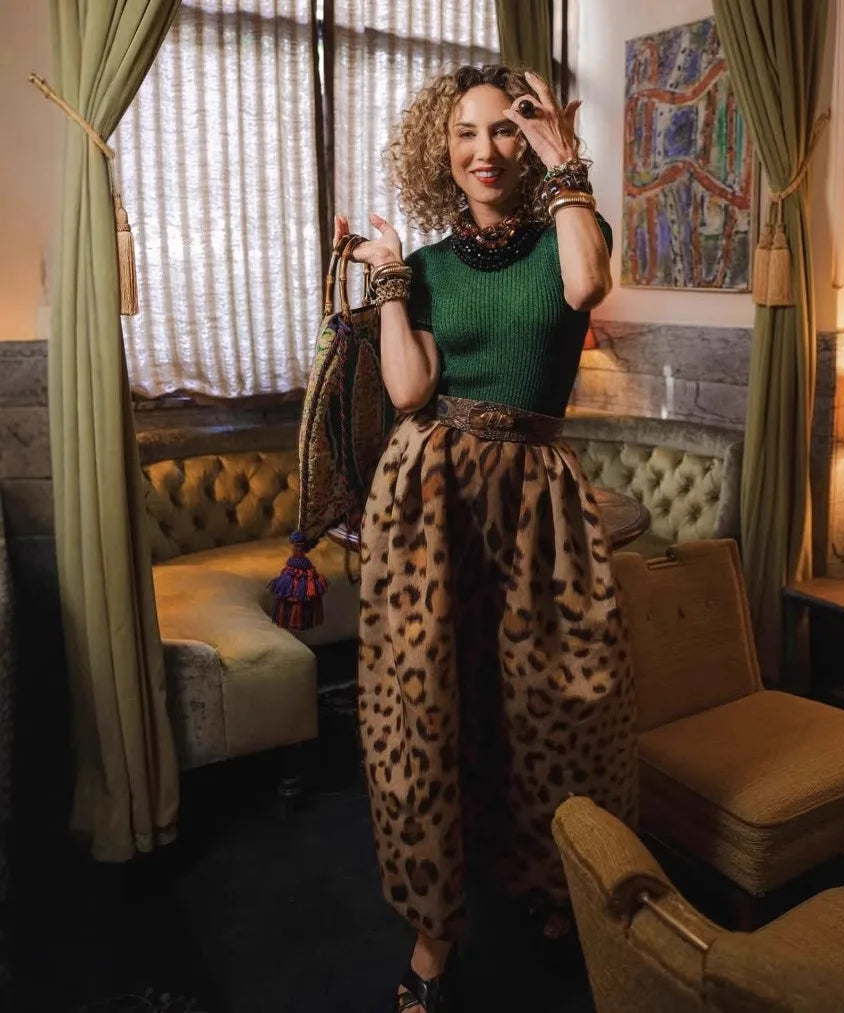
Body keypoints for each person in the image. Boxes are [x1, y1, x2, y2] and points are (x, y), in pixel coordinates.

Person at [336, 64, 638, 1013]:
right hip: (431, 499)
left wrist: (567, 163)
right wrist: (390, 279)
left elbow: (586, 284)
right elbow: (409, 389)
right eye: (464, 133)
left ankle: (555, 879)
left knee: (553, 700)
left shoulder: (573, 230)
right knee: (429, 708)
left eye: (504, 129)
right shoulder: (426, 267)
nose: (484, 150)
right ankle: (434, 933)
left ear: (529, 139)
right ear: (441, 149)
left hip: (537, 502)